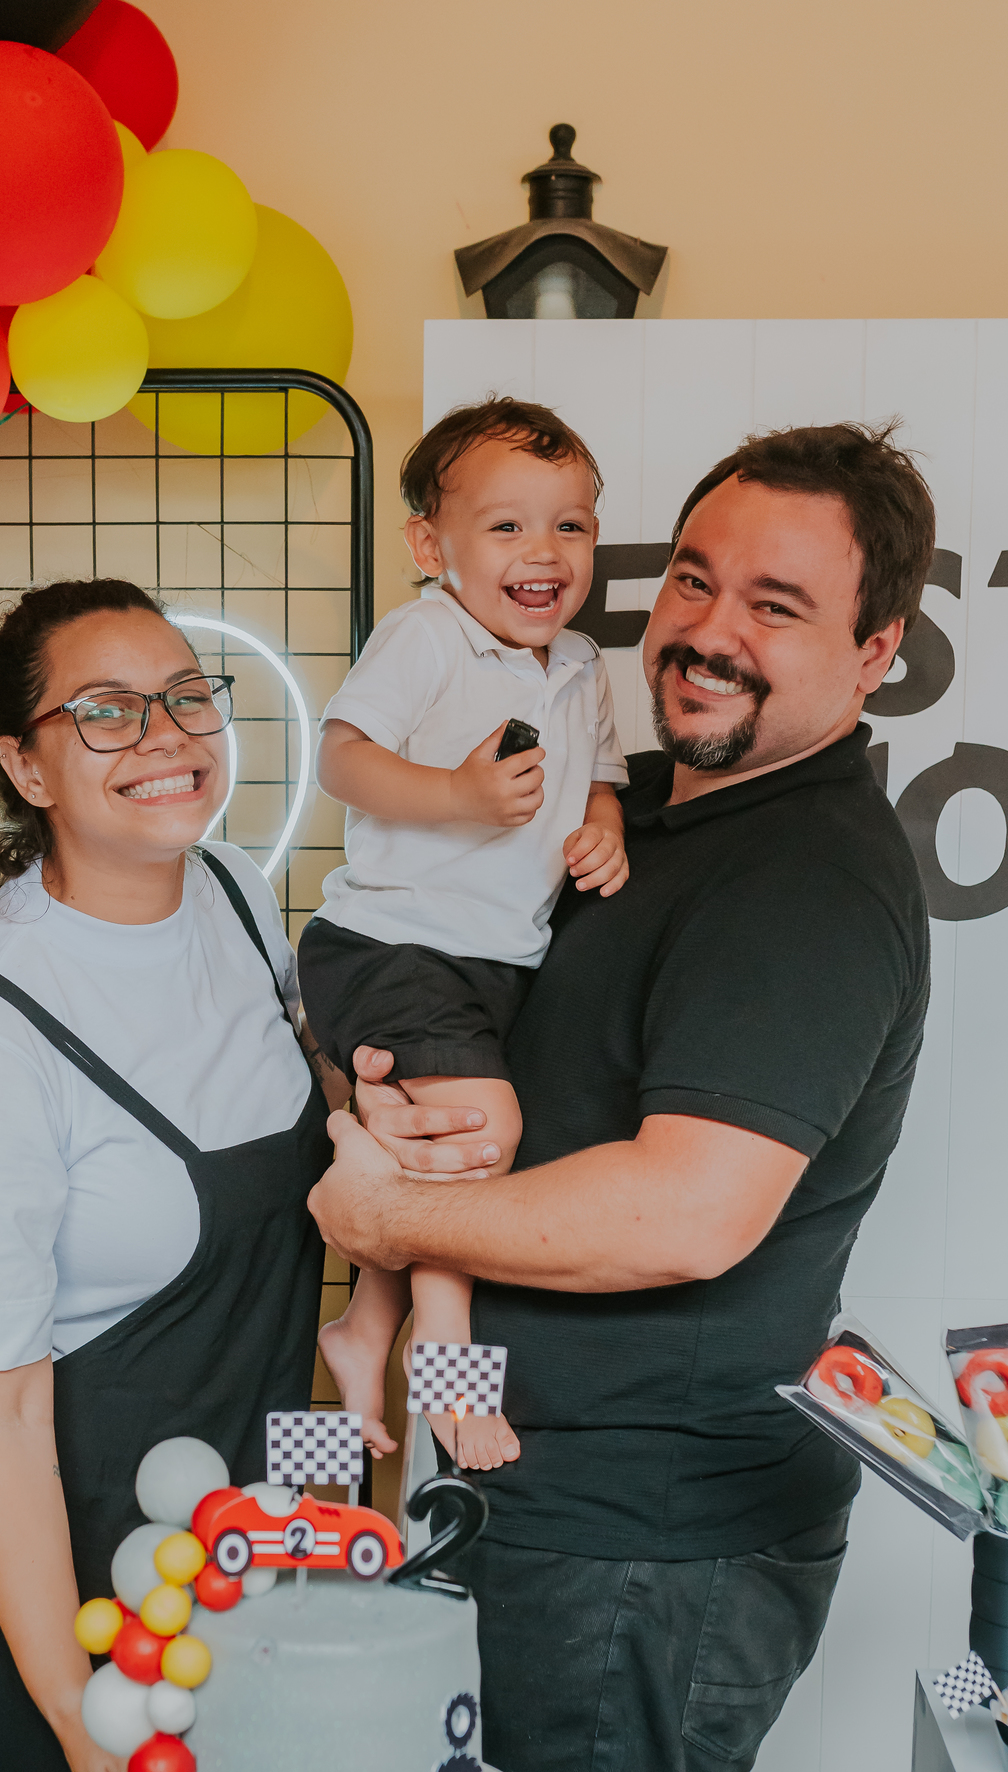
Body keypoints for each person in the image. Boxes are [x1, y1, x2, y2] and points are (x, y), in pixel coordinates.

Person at [307, 423, 935, 1772]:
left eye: (776, 606)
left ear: (875, 650)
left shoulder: (809, 881)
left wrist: (384, 1214)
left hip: (640, 1551)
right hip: (522, 1498)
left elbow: (685, 1213)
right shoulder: (622, 809)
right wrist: (377, 1097)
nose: (709, 632)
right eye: (694, 580)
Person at [0, 579, 492, 1772]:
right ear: (27, 766)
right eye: (105, 711)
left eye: (186, 695)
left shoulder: (232, 897)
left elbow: (295, 1100)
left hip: (218, 1543)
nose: (164, 735)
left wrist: (380, 1106)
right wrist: (76, 1713)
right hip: (48, 1586)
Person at [297, 398, 629, 1474]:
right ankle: (444, 1357)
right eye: (507, 526)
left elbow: (604, 779)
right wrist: (454, 793)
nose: (545, 551)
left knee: (422, 1145)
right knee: (480, 1136)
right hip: (392, 942)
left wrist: (604, 829)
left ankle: (363, 1328)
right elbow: (342, 757)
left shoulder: (581, 663)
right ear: (431, 547)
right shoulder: (427, 635)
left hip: (498, 960)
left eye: (571, 525)